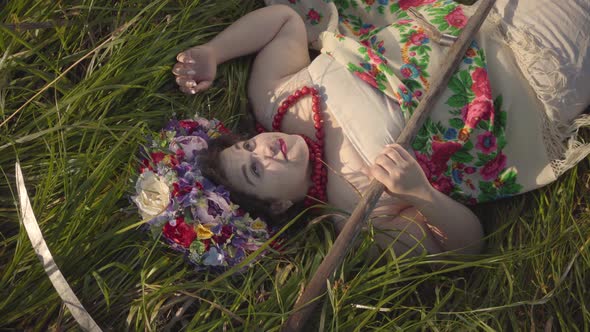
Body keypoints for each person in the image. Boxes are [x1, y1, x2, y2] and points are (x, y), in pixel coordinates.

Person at [172, 0, 590, 257]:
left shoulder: (275, 99)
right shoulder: (356, 213)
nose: (265, 148)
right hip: (535, 78)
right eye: (256, 170)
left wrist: (215, 52)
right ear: (279, 206)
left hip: (489, 18)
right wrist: (419, 194)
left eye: (248, 145)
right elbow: (462, 249)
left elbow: (284, 21)